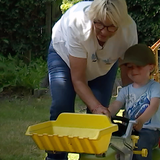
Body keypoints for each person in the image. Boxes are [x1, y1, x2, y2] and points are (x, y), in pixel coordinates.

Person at [46, 0, 138, 159]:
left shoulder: (128, 31)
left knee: (99, 119)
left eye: (111, 27)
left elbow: (128, 77)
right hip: (64, 57)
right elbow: (79, 79)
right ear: (93, 17)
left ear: (120, 23)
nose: (103, 32)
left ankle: (91, 157)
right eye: (99, 24)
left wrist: (131, 108)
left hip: (105, 64)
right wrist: (95, 107)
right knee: (62, 106)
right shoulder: (78, 24)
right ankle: (56, 157)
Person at [108, 44, 160, 160]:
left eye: (138, 66)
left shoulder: (155, 87)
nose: (134, 70)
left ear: (151, 67)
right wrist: (106, 114)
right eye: (130, 67)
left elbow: (154, 106)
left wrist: (141, 120)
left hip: (148, 130)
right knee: (109, 138)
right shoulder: (125, 90)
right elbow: (116, 104)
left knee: (141, 143)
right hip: (128, 129)